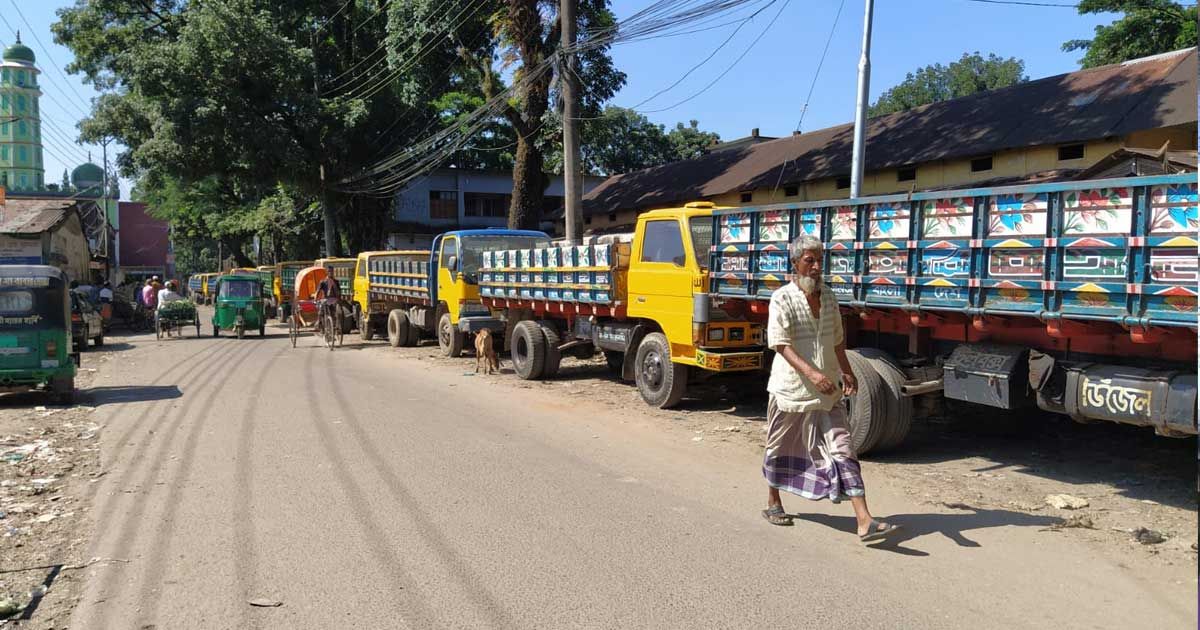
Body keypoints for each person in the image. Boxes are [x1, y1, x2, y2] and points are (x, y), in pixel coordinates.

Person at [761, 234, 901, 543]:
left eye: (819, 261)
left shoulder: (828, 297)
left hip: (827, 390)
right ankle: (773, 501)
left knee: (844, 448)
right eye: (808, 260)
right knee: (778, 446)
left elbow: (837, 339)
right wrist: (811, 374)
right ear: (795, 264)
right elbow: (780, 345)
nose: (815, 267)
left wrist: (847, 371)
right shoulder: (782, 298)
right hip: (790, 391)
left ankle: (864, 519)